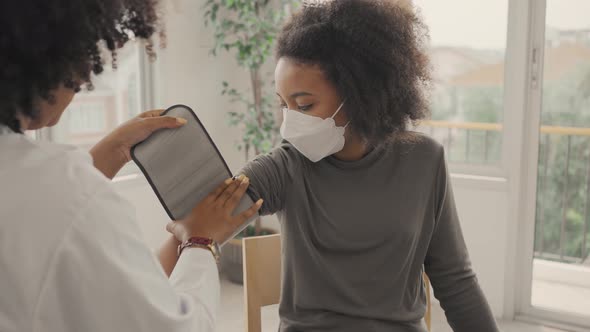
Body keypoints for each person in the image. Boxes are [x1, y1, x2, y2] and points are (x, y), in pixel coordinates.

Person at [0, 1, 262, 331]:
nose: (87, 72)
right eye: (86, 51)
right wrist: (201, 243)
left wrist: (110, 152)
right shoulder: (69, 196)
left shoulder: (44, 190)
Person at [240, 1, 499, 331]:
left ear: (360, 92)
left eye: (303, 104)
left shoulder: (425, 160)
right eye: (284, 104)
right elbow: (211, 209)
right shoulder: (287, 165)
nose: (288, 122)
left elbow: (456, 281)